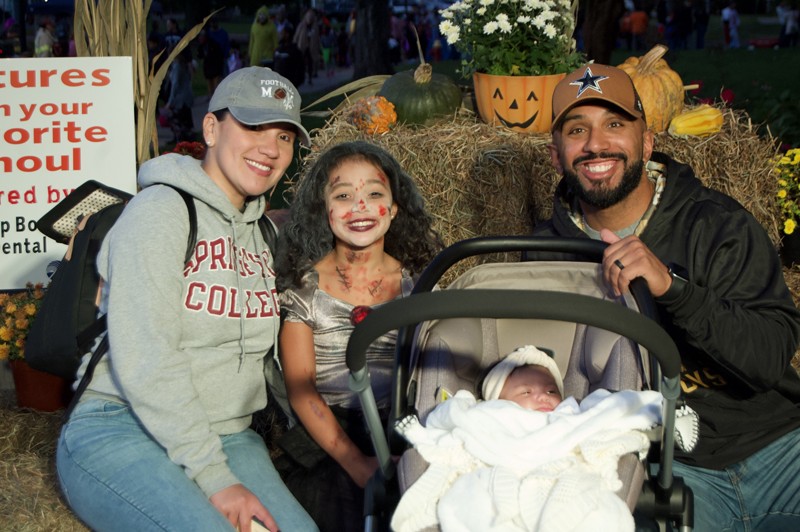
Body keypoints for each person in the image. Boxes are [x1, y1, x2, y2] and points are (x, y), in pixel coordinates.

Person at [531, 62, 800, 530]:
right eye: (577, 130)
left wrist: (673, 288)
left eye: (615, 125)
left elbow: (769, 359)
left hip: (777, 448)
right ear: (556, 156)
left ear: (647, 142)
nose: (595, 144)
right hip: (665, 470)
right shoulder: (544, 257)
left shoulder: (717, 224)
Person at [56, 66, 317, 532]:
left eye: (284, 136)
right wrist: (215, 477)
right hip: (122, 425)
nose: (271, 149)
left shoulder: (263, 232)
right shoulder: (160, 212)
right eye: (253, 127)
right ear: (211, 129)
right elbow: (148, 356)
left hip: (229, 435)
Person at [274, 140, 443, 532]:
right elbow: (302, 390)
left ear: (395, 208)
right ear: (324, 210)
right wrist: (357, 464)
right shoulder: (304, 289)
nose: (360, 207)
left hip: (403, 423)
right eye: (343, 196)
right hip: (332, 436)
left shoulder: (418, 284)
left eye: (374, 194)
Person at [391, 345, 666, 532]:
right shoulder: (490, 412)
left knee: (592, 512)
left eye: (551, 391)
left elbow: (608, 409)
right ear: (498, 399)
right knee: (476, 503)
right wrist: (422, 430)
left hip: (562, 468)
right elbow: (454, 417)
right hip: (497, 466)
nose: (542, 397)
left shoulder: (570, 413)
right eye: (525, 392)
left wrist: (653, 409)